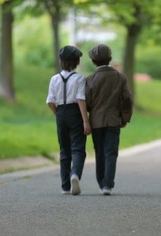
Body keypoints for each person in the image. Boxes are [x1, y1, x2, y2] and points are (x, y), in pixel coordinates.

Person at [85, 44, 133, 196]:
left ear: (93, 61)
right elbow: (127, 100)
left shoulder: (90, 79)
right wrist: (124, 118)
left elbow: (87, 101)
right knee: (111, 152)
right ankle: (108, 184)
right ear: (110, 59)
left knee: (99, 152)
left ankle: (101, 182)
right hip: (114, 120)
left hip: (96, 121)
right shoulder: (120, 77)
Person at [46, 45, 91, 196]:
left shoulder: (54, 79)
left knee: (64, 150)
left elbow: (50, 102)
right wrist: (86, 120)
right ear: (77, 62)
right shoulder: (79, 78)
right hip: (75, 112)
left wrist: (58, 114)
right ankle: (75, 174)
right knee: (78, 148)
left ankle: (65, 186)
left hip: (61, 112)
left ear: (61, 61)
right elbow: (80, 99)